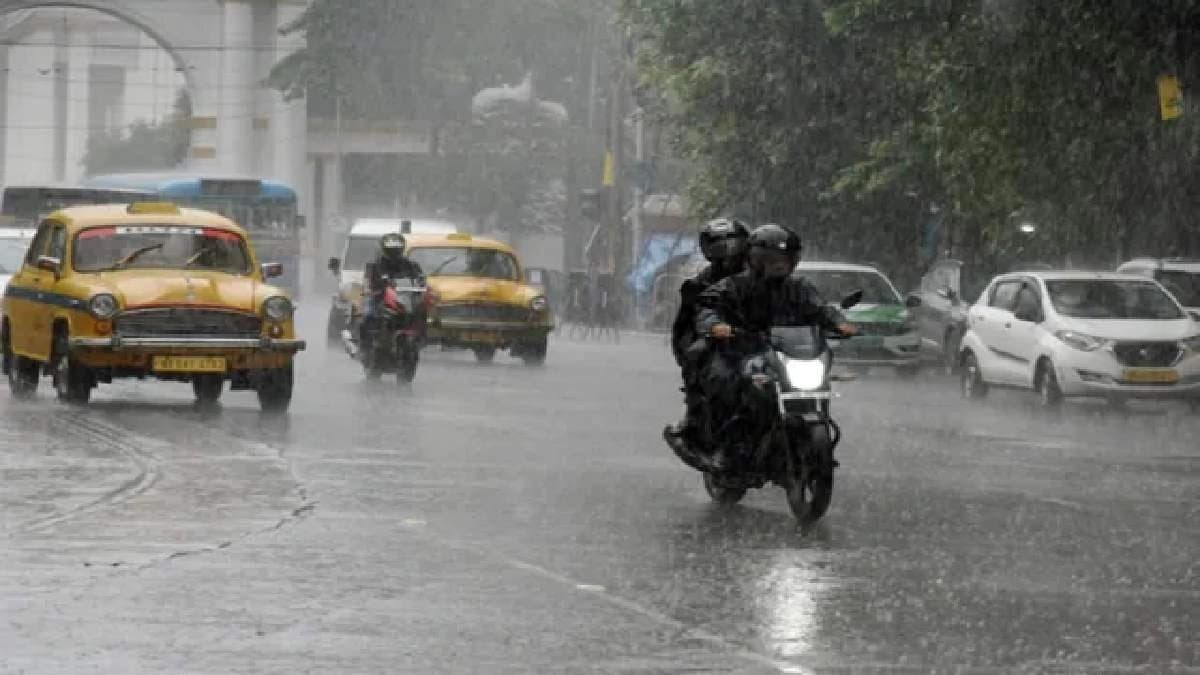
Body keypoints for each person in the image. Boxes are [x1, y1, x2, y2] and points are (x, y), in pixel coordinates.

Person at [691, 223, 857, 470]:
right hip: (742, 350)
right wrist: (715, 324)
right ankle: (724, 447)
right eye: (771, 259)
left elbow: (821, 309)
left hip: (786, 352)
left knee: (818, 379)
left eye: (784, 259)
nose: (779, 265)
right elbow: (708, 306)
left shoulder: (800, 287)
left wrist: (840, 323)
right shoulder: (734, 286)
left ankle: (809, 443)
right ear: (755, 259)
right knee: (723, 379)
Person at [662, 217, 750, 461]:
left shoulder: (762, 278)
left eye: (734, 246)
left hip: (760, 342)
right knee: (717, 374)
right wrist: (710, 334)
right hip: (719, 344)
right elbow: (689, 323)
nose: (729, 254)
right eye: (720, 248)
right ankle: (703, 428)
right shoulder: (700, 284)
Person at [352, 232, 426, 353]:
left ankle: (420, 338)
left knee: (421, 311)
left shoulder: (410, 264)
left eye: (396, 250)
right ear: (384, 249)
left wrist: (422, 284)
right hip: (379, 298)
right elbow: (368, 281)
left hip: (403, 298)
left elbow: (419, 278)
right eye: (391, 250)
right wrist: (371, 288)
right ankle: (364, 347)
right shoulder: (375, 265)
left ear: (402, 248)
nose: (394, 253)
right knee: (367, 316)